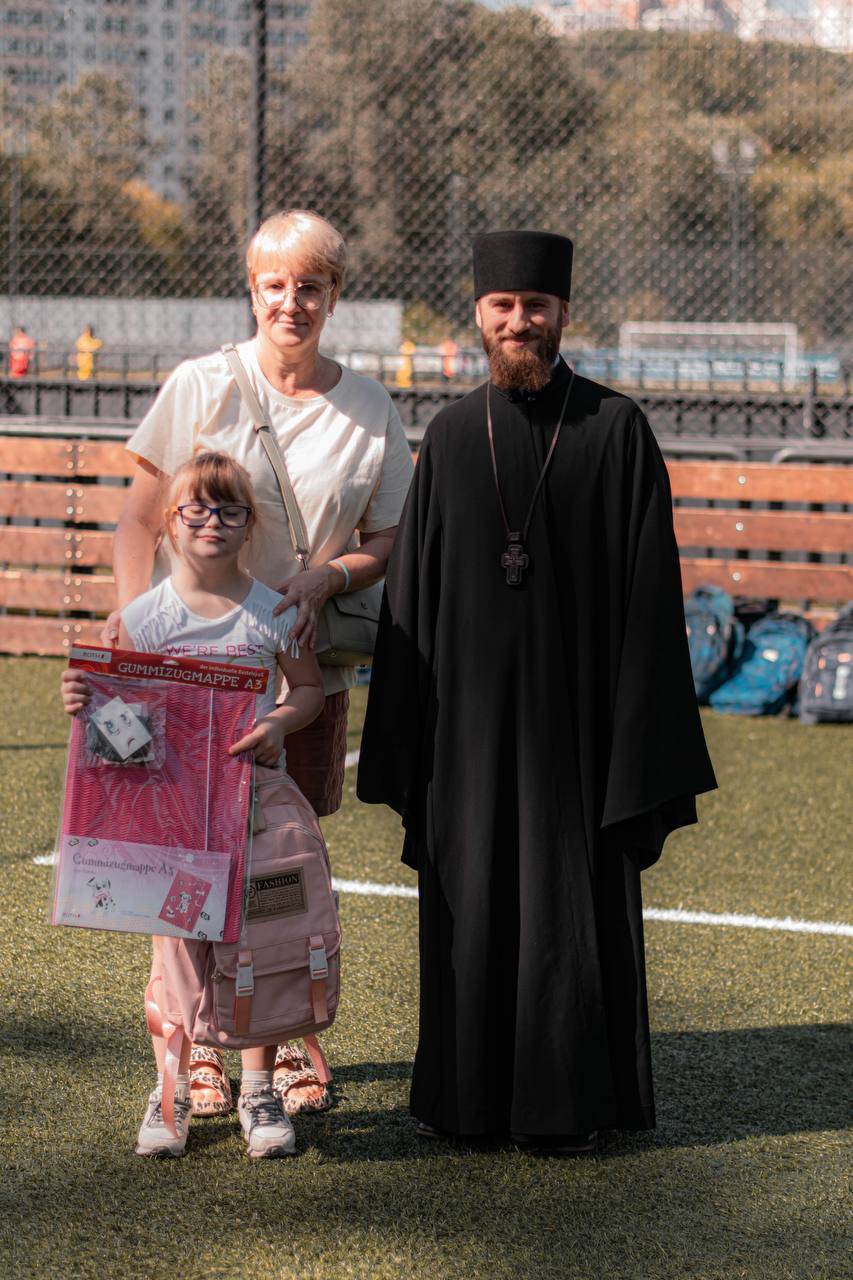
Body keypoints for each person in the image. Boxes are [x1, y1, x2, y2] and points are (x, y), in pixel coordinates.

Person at [357, 229, 717, 1154]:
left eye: (535, 306)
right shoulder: (449, 435)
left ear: (563, 313)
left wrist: (634, 740)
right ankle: (463, 1103)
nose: (519, 321)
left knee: (569, 907)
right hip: (467, 736)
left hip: (577, 730)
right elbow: (414, 597)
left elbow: (648, 595)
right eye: (502, 306)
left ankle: (569, 1106)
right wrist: (404, 739)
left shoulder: (615, 429)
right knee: (468, 904)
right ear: (479, 315)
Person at [104, 208, 414, 1117]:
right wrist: (131, 634)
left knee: (280, 857)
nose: (291, 301)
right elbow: (137, 520)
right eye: (274, 284)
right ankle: (193, 1039)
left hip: (299, 665)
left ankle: (275, 1031)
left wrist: (326, 577)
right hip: (188, 672)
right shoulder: (201, 383)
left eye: (310, 285)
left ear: (334, 295)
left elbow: (387, 538)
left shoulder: (370, 408)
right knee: (183, 854)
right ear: (252, 291)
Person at [61, 452, 326, 1157]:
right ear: (171, 524)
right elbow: (116, 724)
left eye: (229, 510)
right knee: (177, 951)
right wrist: (83, 699)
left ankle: (258, 1090)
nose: (213, 522)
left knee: (261, 944)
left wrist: (279, 722)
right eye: (196, 509)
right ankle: (170, 1088)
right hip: (174, 817)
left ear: (249, 524)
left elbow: (308, 690)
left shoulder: (274, 611)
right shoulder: (142, 619)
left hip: (256, 810)